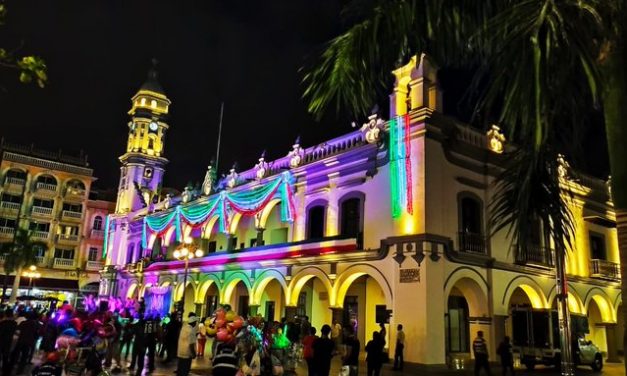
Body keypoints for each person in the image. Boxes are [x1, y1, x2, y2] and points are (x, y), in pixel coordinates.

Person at [0, 310, 17, 376]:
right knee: (5, 358)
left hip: (1, 342)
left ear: (5, 315)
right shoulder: (14, 323)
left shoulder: (2, 323)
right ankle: (5, 372)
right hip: (9, 342)